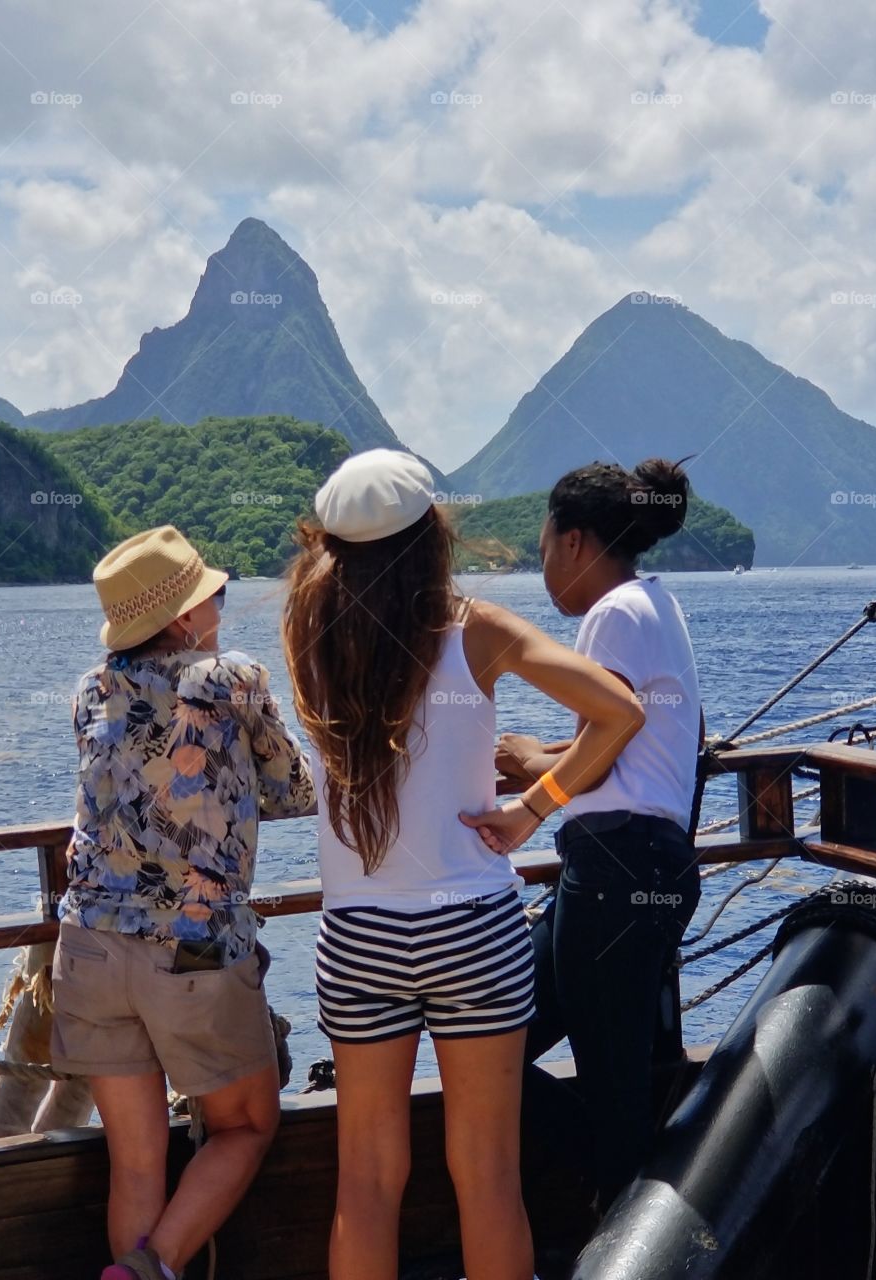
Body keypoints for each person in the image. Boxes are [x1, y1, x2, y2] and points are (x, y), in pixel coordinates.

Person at [282, 448, 645, 1280]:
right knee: (486, 1175)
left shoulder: (311, 629)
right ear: (429, 536)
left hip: (358, 934)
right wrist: (532, 810)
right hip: (474, 930)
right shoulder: (471, 628)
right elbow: (618, 712)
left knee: (366, 1181)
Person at [51, 525, 315, 1280]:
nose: (221, 608)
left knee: (137, 1165)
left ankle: (136, 1270)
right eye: (213, 596)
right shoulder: (231, 679)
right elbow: (295, 790)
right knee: (244, 1126)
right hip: (192, 946)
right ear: (181, 617)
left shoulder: (89, 689)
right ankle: (151, 1267)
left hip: (91, 945)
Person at [493, 457, 704, 1211]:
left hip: (616, 870)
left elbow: (619, 730)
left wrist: (532, 793)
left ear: (576, 540)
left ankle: (631, 1202)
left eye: (545, 544)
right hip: (634, 863)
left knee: (606, 1093)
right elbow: (619, 741)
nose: (544, 561)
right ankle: (626, 1185)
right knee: (495, 1046)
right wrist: (536, 758)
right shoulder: (654, 604)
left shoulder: (610, 614)